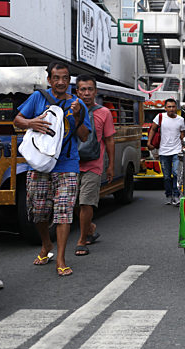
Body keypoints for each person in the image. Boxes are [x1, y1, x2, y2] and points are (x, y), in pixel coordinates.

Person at [13, 61, 91, 276]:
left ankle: (60, 258)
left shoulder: (78, 103)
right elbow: (17, 119)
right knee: (38, 212)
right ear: (49, 79)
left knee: (63, 212)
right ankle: (46, 245)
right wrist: (31, 123)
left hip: (67, 164)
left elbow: (84, 135)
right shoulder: (38, 98)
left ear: (69, 80)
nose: (60, 82)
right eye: (56, 78)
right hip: (39, 164)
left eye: (65, 78)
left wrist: (77, 116)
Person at [74, 75, 115, 256]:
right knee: (72, 203)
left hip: (94, 164)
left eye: (90, 89)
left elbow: (109, 140)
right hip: (71, 163)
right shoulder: (69, 109)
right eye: (83, 89)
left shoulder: (104, 112)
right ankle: (89, 227)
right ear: (77, 92)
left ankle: (82, 240)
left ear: (96, 92)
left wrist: (111, 165)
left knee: (86, 202)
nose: (86, 93)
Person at [147, 98, 184, 205]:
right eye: (169, 107)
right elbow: (153, 129)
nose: (171, 109)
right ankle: (168, 195)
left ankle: (176, 195)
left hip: (177, 151)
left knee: (176, 173)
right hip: (163, 151)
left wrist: (184, 145)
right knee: (167, 176)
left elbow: (182, 134)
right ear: (165, 108)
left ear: (176, 108)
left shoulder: (180, 119)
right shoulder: (160, 117)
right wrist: (149, 142)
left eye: (173, 107)